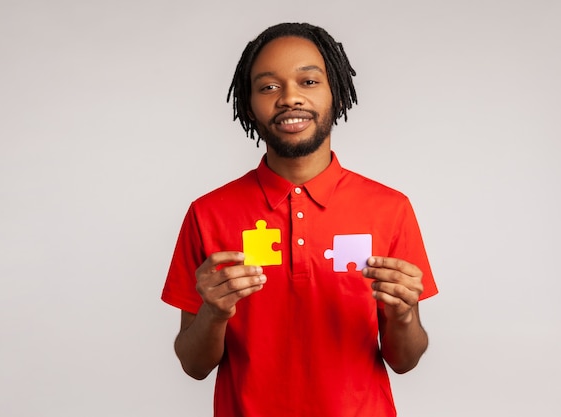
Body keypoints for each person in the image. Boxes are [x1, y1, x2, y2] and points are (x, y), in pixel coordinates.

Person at [161, 22, 438, 417]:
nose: (290, 98)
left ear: (334, 92)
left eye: (308, 81)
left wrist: (404, 316)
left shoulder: (390, 208)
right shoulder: (208, 213)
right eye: (269, 86)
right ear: (248, 101)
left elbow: (405, 360)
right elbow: (193, 365)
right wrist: (214, 313)